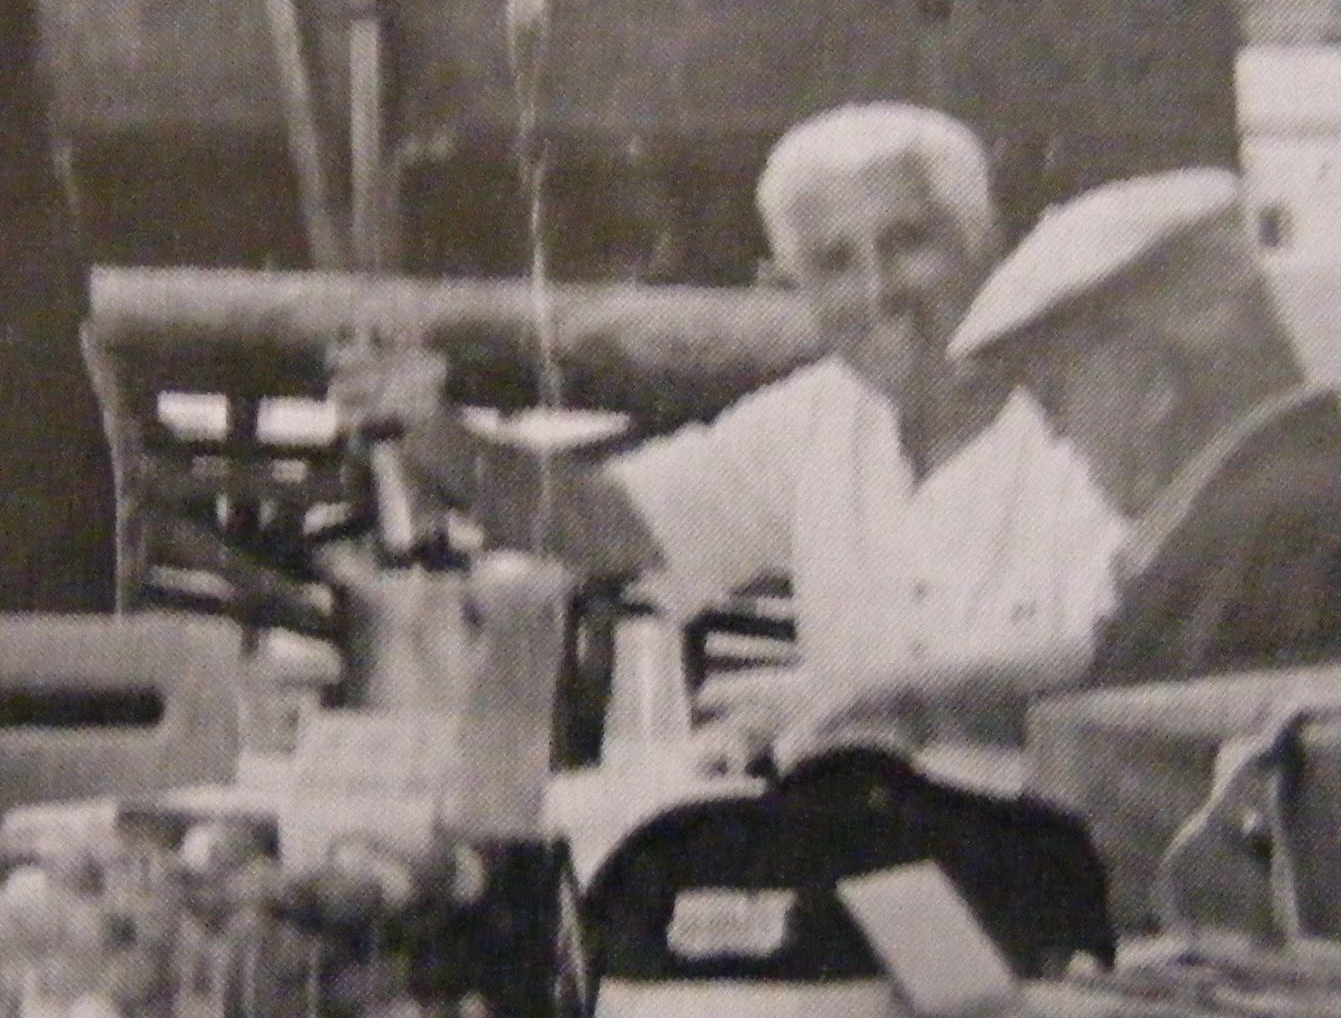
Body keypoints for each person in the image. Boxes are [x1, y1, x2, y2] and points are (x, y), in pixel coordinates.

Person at [333, 105, 1125, 743]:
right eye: (835, 263)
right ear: (796, 289)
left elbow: (1129, 666)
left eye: (909, 243)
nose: (879, 291)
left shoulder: (1093, 418)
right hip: (867, 866)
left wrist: (883, 700)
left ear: (987, 243)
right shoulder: (817, 418)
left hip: (1057, 876)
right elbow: (605, 523)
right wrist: (436, 432)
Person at [943, 166, 1341, 689]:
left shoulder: (1266, 541)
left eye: (1054, 397)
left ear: (1151, 382)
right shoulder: (1320, 482)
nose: (1058, 436)